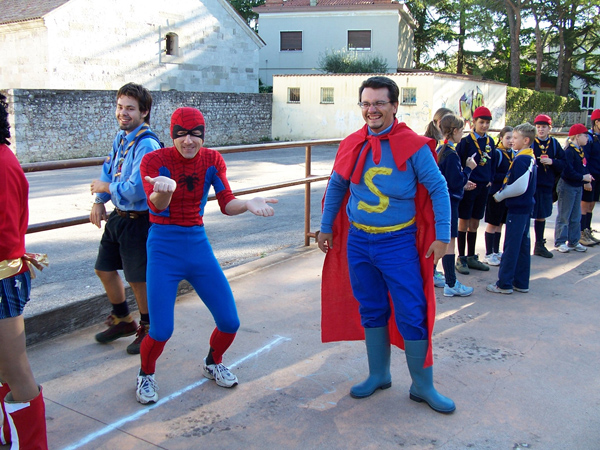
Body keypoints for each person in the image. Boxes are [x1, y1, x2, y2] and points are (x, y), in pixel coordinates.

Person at [318, 76, 455, 414]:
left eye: (379, 102)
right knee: (371, 307)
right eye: (366, 103)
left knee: (412, 311)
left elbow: (438, 188)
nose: (372, 109)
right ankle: (379, 374)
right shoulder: (352, 143)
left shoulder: (414, 146)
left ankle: (422, 386)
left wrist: (443, 235)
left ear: (394, 106)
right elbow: (337, 185)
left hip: (398, 243)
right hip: (359, 241)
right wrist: (325, 226)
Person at [135, 107, 277, 404]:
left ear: (203, 135)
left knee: (229, 321)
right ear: (172, 134)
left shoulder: (212, 159)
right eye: (181, 134)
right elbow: (157, 205)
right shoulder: (155, 160)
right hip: (163, 247)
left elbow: (226, 203)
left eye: (195, 134)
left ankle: (213, 362)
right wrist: (165, 189)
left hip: (198, 245)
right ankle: (145, 374)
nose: (188, 141)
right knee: (161, 330)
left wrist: (247, 203)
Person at [90, 83, 162, 355]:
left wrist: (106, 188)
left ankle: (149, 327)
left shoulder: (147, 144)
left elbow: (137, 188)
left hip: (138, 220)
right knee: (104, 268)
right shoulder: (121, 138)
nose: (123, 113)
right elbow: (108, 169)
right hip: (118, 218)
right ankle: (123, 320)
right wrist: (99, 200)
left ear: (144, 112)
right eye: (120, 107)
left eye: (130, 108)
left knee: (137, 279)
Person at [0, 93, 48, 448]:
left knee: (15, 369)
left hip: (3, 277)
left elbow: (4, 235)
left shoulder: (2, 163)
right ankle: (7, 433)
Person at [486, 123, 537, 294]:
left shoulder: (522, 159)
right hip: (524, 207)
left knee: (511, 246)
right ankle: (521, 282)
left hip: (518, 208)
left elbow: (520, 186)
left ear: (526, 140)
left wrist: (501, 195)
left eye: (516, 138)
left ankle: (504, 283)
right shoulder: (528, 156)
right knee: (522, 246)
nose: (512, 140)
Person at [436, 114, 477, 297]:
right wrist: (468, 169)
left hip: (443, 201)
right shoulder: (451, 154)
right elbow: (455, 182)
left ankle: (434, 275)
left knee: (442, 240)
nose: (462, 134)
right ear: (454, 131)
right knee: (449, 243)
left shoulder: (441, 149)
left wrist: (463, 182)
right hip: (449, 203)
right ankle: (451, 283)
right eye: (461, 130)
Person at [455, 106, 498, 274]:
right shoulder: (466, 142)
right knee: (464, 222)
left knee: (475, 223)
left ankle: (472, 256)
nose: (484, 126)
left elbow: (492, 163)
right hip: (469, 187)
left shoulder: (490, 142)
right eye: (481, 122)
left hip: (483, 187)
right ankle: (461, 258)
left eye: (487, 123)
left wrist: (490, 179)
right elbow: (458, 163)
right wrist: (464, 180)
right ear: (473, 122)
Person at [424, 107, 453, 288]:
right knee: (430, 236)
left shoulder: (442, 144)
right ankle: (431, 271)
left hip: (438, 197)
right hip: (429, 201)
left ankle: (432, 270)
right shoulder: (430, 145)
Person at [554, 124, 593, 253]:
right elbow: (567, 172)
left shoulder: (580, 150)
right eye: (585, 135)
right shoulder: (569, 151)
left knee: (576, 216)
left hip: (577, 186)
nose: (587, 138)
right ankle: (560, 241)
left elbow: (583, 167)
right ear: (577, 136)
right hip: (567, 186)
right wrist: (582, 177)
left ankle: (574, 241)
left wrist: (586, 177)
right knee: (564, 215)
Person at [531, 114, 566, 256]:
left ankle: (539, 244)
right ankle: (522, 244)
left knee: (542, 215)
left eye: (544, 127)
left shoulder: (554, 144)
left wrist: (552, 162)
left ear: (549, 128)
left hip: (547, 185)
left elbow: (563, 163)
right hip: (532, 185)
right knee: (526, 214)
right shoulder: (531, 142)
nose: (541, 130)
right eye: (538, 127)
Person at [483, 127, 514, 265]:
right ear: (501, 138)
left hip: (505, 194)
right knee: (492, 224)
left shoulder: (513, 153)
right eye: (508, 137)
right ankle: (488, 254)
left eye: (513, 138)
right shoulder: (497, 153)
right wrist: (507, 177)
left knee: (500, 224)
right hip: (495, 194)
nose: (511, 141)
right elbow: (492, 174)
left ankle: (496, 251)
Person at [580, 109, 600, 246]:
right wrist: (586, 179)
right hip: (589, 177)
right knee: (585, 205)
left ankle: (587, 230)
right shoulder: (589, 138)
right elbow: (584, 159)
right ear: (597, 122)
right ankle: (581, 233)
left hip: (598, 176)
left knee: (591, 205)